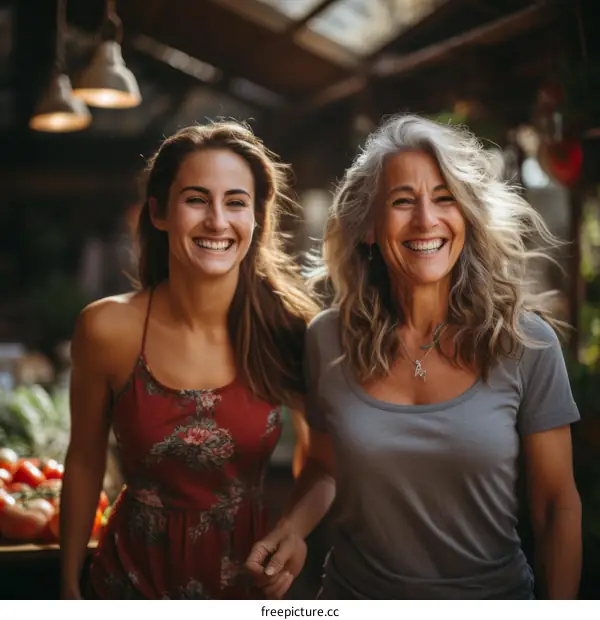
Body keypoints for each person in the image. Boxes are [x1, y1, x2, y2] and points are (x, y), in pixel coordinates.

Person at [246, 114, 582, 599]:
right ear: (368, 228)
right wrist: (293, 529)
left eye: (445, 198)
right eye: (403, 201)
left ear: (465, 216)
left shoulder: (525, 343)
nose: (426, 219)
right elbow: (323, 468)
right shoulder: (328, 339)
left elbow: (556, 507)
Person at [59, 121, 318, 600]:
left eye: (236, 202)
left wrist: (293, 530)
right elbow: (84, 460)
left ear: (257, 217)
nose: (217, 221)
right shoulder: (106, 329)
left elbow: (324, 459)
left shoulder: (287, 330)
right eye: (197, 199)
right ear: (159, 212)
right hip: (126, 582)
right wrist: (68, 588)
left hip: (246, 586)